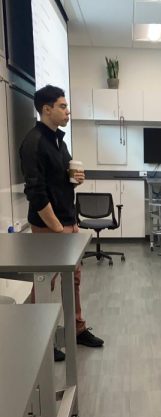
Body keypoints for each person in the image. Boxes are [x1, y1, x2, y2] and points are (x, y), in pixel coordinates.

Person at [20, 85, 103, 357]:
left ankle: (77, 329)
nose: (68, 111)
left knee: (74, 280)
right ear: (47, 109)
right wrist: (57, 228)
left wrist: (76, 179)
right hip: (50, 227)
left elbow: (63, 177)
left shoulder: (59, 141)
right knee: (46, 282)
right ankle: (40, 337)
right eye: (63, 106)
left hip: (68, 222)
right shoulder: (34, 143)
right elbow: (36, 193)